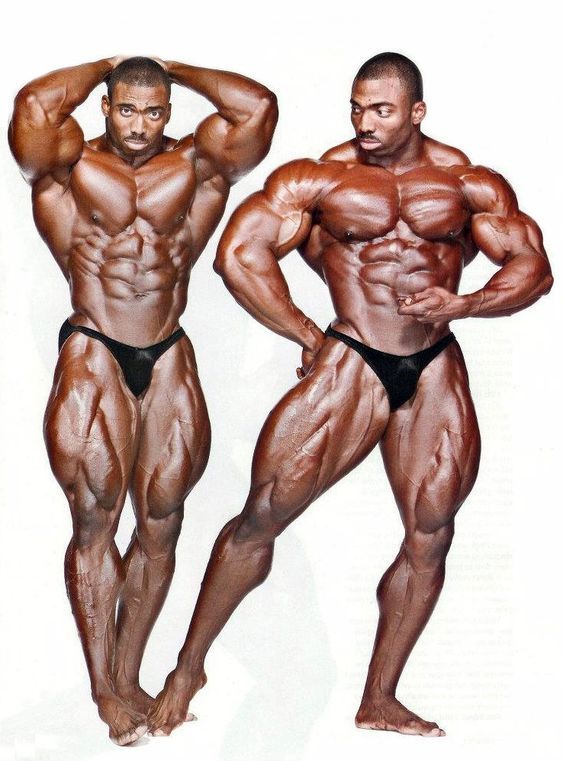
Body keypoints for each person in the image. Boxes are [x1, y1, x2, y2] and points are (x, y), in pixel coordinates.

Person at [146, 52, 552, 738]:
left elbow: (532, 267)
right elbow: (238, 254)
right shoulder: (321, 177)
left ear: (417, 112)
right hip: (353, 357)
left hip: (433, 364)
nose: (365, 122)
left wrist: (464, 303)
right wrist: (306, 332)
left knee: (431, 532)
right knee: (261, 516)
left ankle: (379, 698)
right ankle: (187, 671)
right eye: (357, 108)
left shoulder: (465, 182)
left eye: (381, 110)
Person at [8, 55, 277, 745]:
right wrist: (106, 65)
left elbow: (256, 108)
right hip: (94, 345)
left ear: (169, 112)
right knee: (94, 520)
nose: (139, 124)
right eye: (126, 108)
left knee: (162, 521)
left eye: (153, 111)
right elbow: (33, 107)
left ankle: (128, 675)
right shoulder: (70, 168)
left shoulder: (195, 168)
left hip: (168, 352)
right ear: (104, 107)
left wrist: (173, 69)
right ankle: (103, 689)